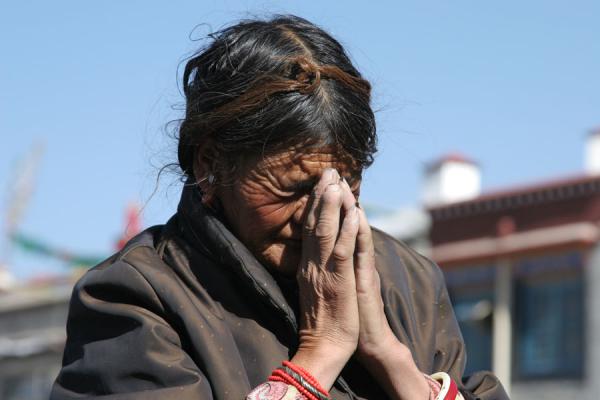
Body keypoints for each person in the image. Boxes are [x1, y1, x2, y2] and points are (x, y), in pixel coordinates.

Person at [50, 15, 508, 400]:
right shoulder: (133, 297)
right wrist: (320, 353)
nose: (319, 220)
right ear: (211, 165)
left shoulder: (408, 280)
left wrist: (394, 361)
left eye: (344, 186)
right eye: (291, 188)